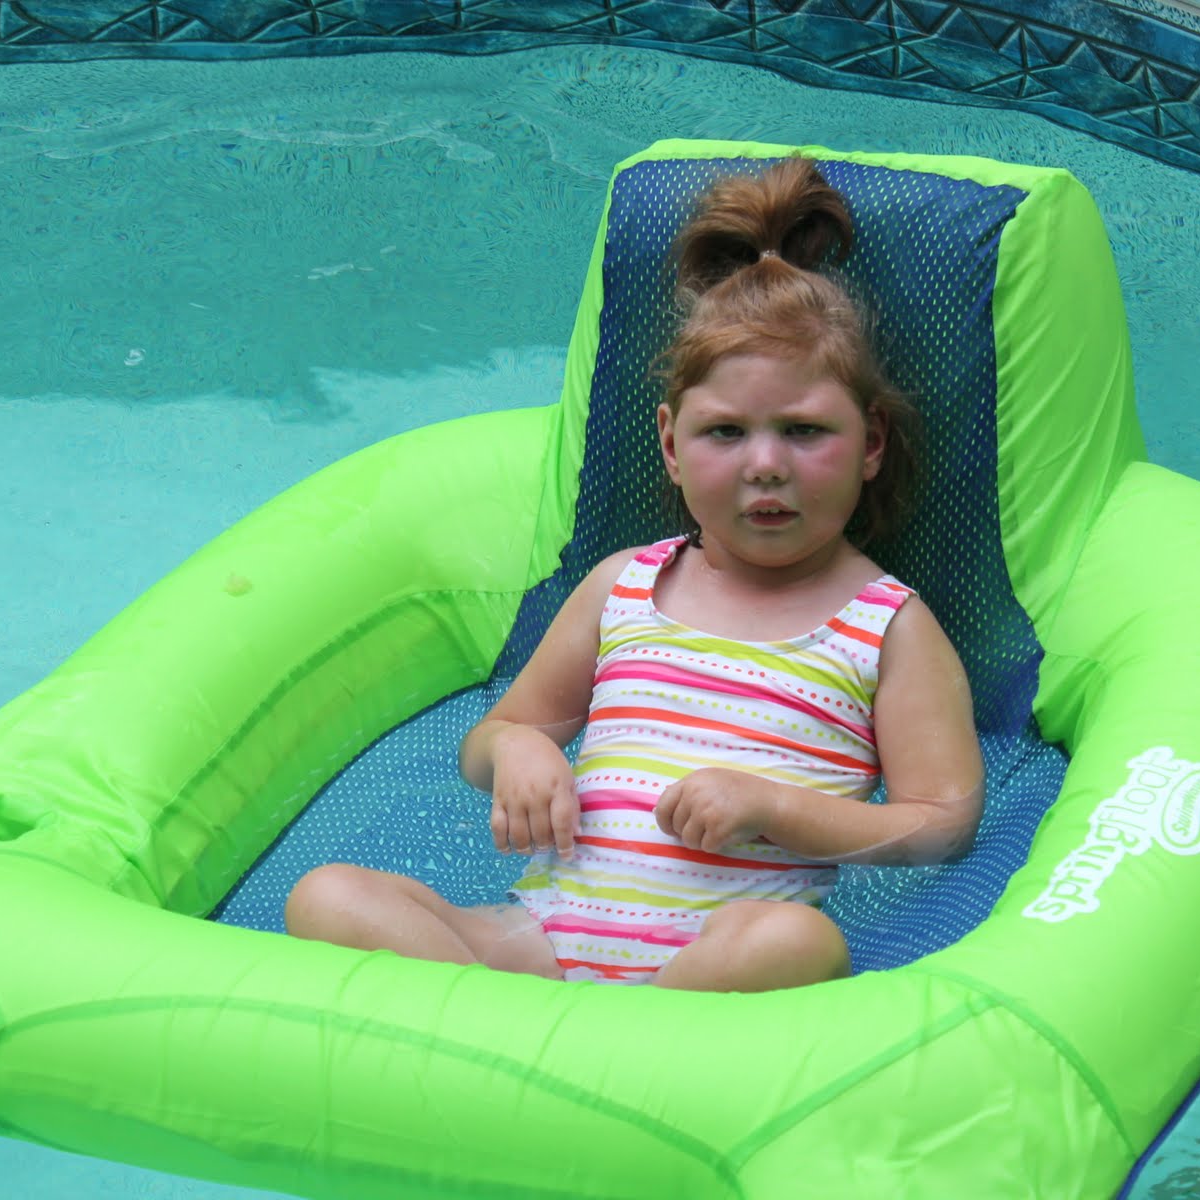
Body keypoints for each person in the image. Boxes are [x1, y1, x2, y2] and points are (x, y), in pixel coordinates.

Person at [285, 157, 984, 991]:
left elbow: (941, 822)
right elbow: (491, 741)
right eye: (725, 433)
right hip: (539, 944)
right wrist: (518, 752)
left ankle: (565, 1043)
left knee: (796, 944)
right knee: (328, 897)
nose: (766, 465)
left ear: (871, 442)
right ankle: (562, 1040)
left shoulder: (884, 626)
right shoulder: (623, 587)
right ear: (669, 445)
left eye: (804, 431)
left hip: (711, 957)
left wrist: (774, 807)